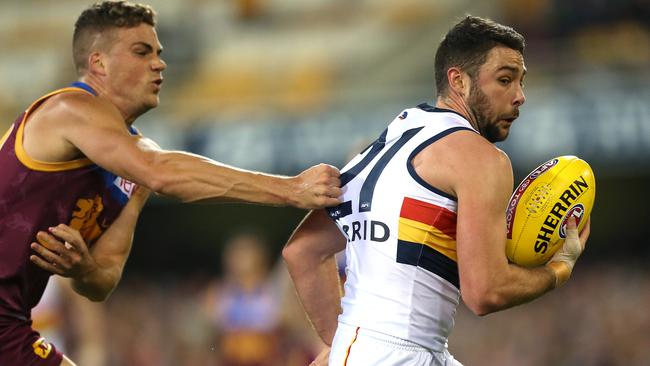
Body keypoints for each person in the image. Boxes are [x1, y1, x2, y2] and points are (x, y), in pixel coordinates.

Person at [0, 1, 341, 365]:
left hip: (11, 325)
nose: (159, 63)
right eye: (141, 51)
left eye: (158, 53)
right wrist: (291, 189)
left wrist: (82, 269)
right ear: (98, 63)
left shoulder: (133, 170)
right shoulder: (67, 109)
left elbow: (102, 280)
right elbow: (161, 171)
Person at [282, 15, 591, 366]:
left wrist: (341, 346)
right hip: (402, 354)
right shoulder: (481, 158)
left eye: (521, 82)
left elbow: (303, 251)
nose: (519, 96)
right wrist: (558, 271)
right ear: (458, 81)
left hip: (384, 350)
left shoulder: (389, 142)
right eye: (505, 80)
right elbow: (486, 292)